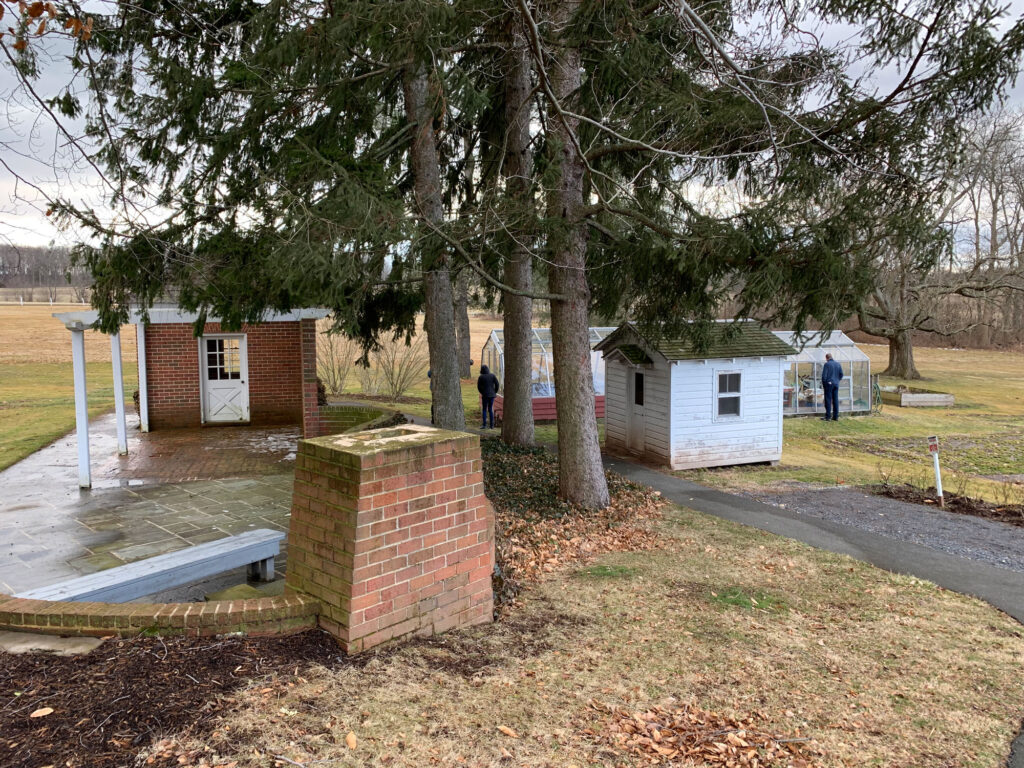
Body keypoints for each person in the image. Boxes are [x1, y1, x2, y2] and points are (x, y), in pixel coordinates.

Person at [821, 353, 844, 422]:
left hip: (829, 384)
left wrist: (824, 384)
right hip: (836, 384)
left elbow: (824, 376)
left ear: (826, 358)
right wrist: (837, 380)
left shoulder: (827, 364)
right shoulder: (838, 364)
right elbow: (841, 374)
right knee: (835, 400)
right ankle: (835, 416)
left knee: (828, 400)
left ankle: (828, 416)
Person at [476, 364, 500, 429]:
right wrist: (495, 391)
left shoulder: (481, 377)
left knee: (484, 409)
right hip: (492, 395)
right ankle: (492, 425)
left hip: (485, 395)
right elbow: (497, 384)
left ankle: (484, 425)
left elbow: (479, 387)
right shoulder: (492, 376)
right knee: (490, 409)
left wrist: (482, 392)